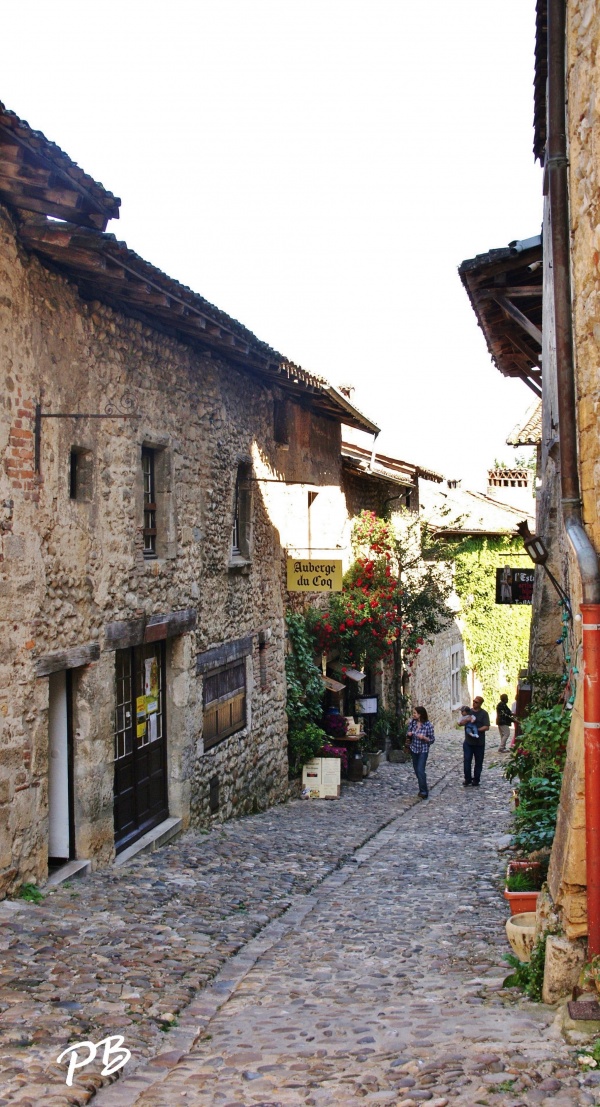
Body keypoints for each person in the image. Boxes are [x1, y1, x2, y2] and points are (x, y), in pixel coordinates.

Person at [458, 695, 490, 786]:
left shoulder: (484, 714)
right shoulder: (469, 711)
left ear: (480, 704)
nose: (474, 703)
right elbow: (461, 722)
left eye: (476, 702)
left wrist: (477, 729)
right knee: (467, 760)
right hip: (468, 742)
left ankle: (476, 779)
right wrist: (464, 723)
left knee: (478, 762)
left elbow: (486, 726)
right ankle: (467, 779)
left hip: (479, 743)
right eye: (474, 701)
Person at [406, 706, 435, 799]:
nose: (413, 714)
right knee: (416, 770)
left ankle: (424, 791)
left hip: (423, 750)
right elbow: (408, 733)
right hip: (414, 749)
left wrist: (424, 738)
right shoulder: (412, 723)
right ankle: (422, 787)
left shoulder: (428, 725)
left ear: (420, 714)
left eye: (415, 713)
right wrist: (409, 734)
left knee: (420, 770)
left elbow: (432, 739)